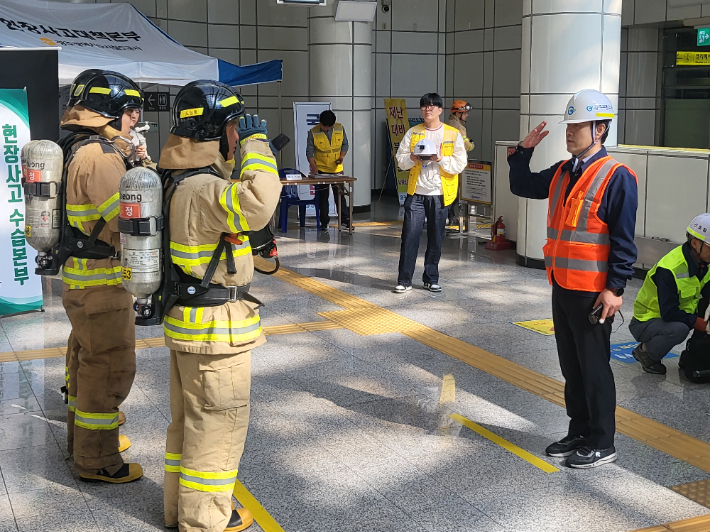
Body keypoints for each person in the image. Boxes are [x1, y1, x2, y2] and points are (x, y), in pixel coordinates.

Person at [158, 80, 282, 532]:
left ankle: (180, 510)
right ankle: (207, 520)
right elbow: (260, 203)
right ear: (218, 130)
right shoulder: (205, 188)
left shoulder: (177, 179)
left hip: (188, 322)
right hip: (215, 331)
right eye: (235, 127)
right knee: (218, 429)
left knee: (189, 426)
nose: (238, 135)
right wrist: (257, 147)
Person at [508, 89, 638, 468]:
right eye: (570, 125)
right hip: (563, 285)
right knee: (571, 366)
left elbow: (623, 240)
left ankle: (603, 441)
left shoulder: (617, 176)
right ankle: (579, 429)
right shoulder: (564, 172)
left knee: (594, 366)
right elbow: (523, 186)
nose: (570, 132)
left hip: (594, 292)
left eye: (577, 125)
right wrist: (522, 151)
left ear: (599, 129)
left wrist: (615, 288)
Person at [59, 70, 144, 483]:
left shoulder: (76, 146)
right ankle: (98, 460)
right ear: (111, 110)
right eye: (131, 112)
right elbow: (129, 222)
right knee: (109, 366)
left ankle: (82, 440)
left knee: (84, 362)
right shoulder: (100, 156)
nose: (134, 120)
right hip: (102, 279)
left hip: (81, 277)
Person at [394, 92, 467, 293]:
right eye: (425, 106)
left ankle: (431, 278)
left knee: (436, 238)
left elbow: (460, 164)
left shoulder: (453, 134)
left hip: (440, 194)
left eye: (433, 106)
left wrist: (440, 159)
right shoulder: (413, 132)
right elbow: (401, 161)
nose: (428, 109)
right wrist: (414, 157)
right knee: (409, 237)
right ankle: (404, 280)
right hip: (416, 193)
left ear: (440, 110)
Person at [630, 214, 710, 374]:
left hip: (678, 312)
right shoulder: (669, 268)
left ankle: (696, 354)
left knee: (701, 310)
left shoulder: (704, 261)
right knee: (680, 329)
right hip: (647, 320)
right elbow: (669, 312)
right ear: (695, 243)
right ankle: (646, 353)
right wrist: (705, 326)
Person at [307, 110, 351, 229]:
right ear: (320, 122)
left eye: (327, 126)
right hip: (321, 170)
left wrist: (341, 157)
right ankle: (324, 222)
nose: (324, 128)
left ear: (332, 125)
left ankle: (345, 220)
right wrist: (314, 167)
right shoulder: (313, 132)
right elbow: (309, 152)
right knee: (323, 197)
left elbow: (345, 144)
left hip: (337, 169)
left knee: (340, 196)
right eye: (322, 125)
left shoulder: (339, 128)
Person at [446, 100, 474, 227]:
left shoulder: (447, 124)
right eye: (465, 113)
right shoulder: (459, 127)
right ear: (458, 113)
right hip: (456, 163)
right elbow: (465, 145)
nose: (467, 115)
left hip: (447, 162)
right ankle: (451, 217)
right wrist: (472, 145)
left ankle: (447, 215)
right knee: (454, 193)